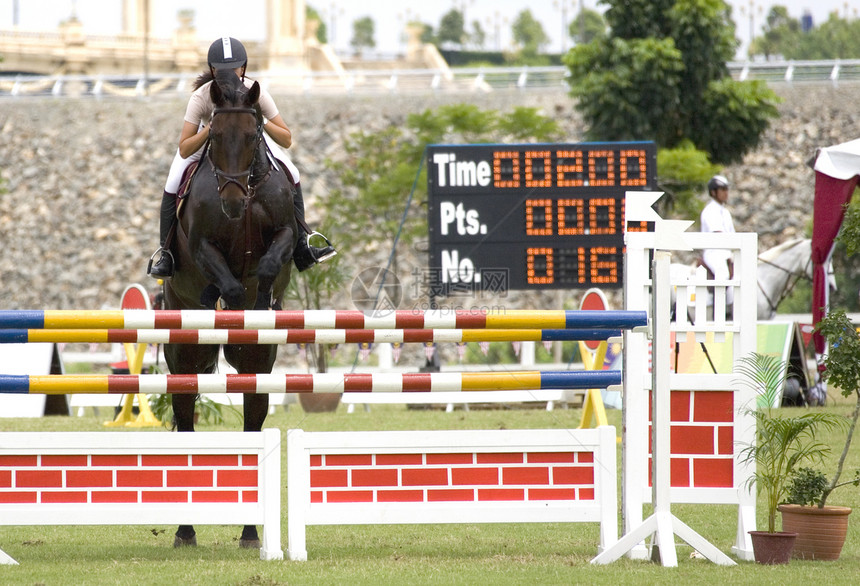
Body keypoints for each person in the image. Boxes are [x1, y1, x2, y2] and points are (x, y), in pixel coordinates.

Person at [148, 37, 335, 278]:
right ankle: (167, 253)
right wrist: (209, 129)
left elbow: (287, 139)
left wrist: (261, 121)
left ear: (243, 68)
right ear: (212, 70)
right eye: (222, 69)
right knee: (173, 181)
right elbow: (184, 148)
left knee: (293, 172)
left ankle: (302, 242)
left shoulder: (256, 92)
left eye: (234, 68)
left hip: (248, 140)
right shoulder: (202, 97)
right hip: (210, 141)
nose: (229, 73)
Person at [700, 174, 735, 306]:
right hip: (714, 253)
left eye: (727, 189)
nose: (726, 193)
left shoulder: (725, 212)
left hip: (727, 252)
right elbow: (718, 234)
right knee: (723, 275)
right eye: (723, 190)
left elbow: (732, 235)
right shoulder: (709, 211)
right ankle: (718, 309)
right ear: (714, 192)